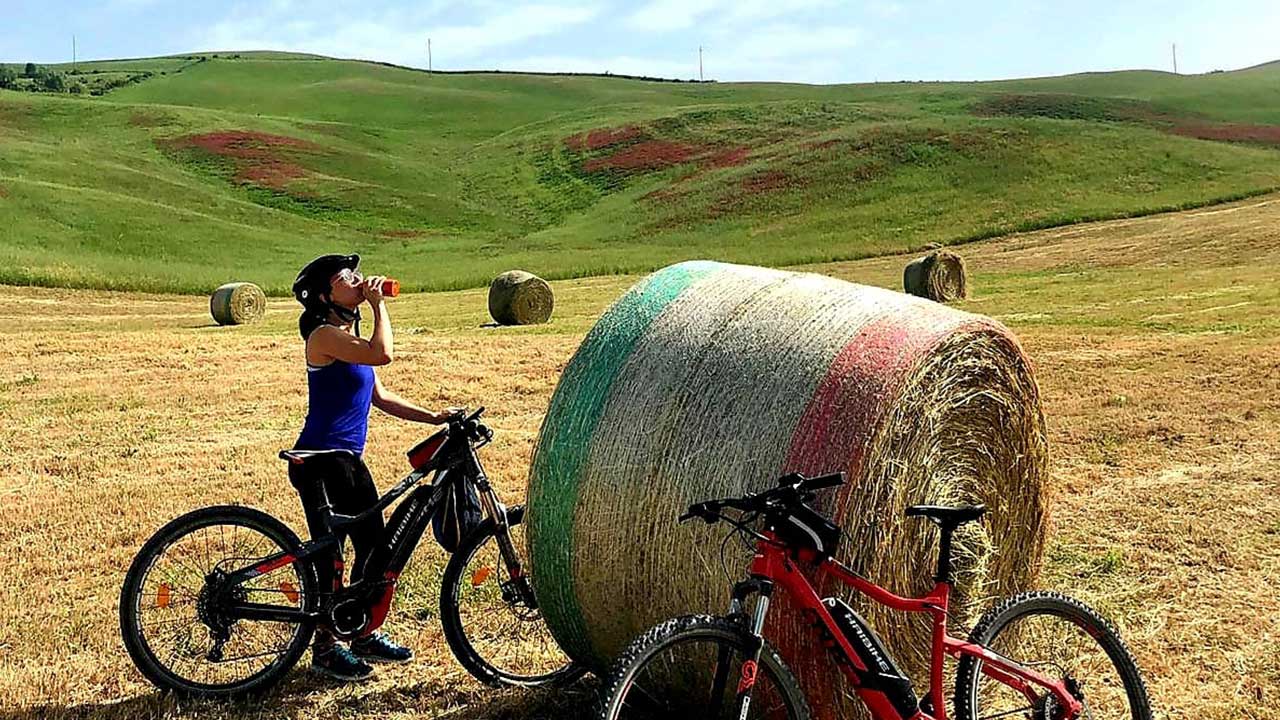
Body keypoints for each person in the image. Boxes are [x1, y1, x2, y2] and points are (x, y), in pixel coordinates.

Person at [289, 253, 460, 682]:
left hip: (345, 461)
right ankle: (325, 649)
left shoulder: (347, 337)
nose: (359, 280)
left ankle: (361, 631)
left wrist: (435, 417)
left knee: (375, 551)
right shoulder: (324, 337)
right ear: (325, 296)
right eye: (346, 278)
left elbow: (380, 396)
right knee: (332, 558)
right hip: (322, 460)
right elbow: (382, 354)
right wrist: (379, 305)